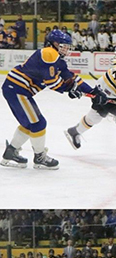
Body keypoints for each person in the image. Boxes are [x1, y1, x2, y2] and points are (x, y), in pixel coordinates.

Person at [2, 30, 100, 170]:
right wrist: (70, 89)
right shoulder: (49, 53)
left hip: (17, 89)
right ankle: (39, 157)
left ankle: (10, 153)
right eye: (63, 45)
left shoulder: (56, 58)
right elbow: (52, 83)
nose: (66, 49)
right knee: (38, 123)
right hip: (18, 90)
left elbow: (70, 78)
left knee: (30, 124)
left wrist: (91, 91)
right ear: (53, 44)